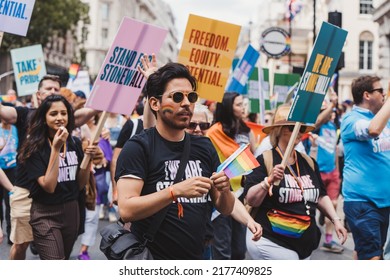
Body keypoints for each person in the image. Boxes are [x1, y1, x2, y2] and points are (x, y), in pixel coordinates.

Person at [115, 62, 235, 260]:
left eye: (191, 97)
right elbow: (127, 209)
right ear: (155, 103)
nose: (186, 103)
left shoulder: (204, 146)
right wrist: (175, 191)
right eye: (177, 97)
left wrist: (225, 190)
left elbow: (225, 208)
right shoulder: (138, 147)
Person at [0, 75, 98, 260]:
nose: (53, 92)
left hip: (63, 200)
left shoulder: (71, 135)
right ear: (39, 93)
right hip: (26, 191)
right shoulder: (23, 115)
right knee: (21, 244)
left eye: (56, 89)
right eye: (49, 89)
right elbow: (2, 111)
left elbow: (90, 112)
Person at [245, 104, 347, 260]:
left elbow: (320, 195)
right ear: (280, 131)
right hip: (272, 241)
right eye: (293, 128)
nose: (299, 133)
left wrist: (336, 220)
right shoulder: (266, 160)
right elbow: (250, 199)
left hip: (304, 245)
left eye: (301, 129)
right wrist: (268, 182)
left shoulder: (308, 162)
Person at [187, 103, 262, 259]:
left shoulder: (208, 152)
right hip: (169, 247)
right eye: (192, 125)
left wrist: (249, 221)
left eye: (204, 125)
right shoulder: (167, 151)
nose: (198, 130)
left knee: (236, 251)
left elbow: (225, 196)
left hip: (202, 242)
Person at [341, 75, 390, 260]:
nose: (384, 94)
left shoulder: (383, 118)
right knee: (373, 258)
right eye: (380, 91)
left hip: (383, 202)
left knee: (365, 254)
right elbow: (373, 130)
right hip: (362, 201)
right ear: (367, 95)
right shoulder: (350, 120)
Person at [206, 91, 256, 260]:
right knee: (222, 247)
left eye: (243, 104)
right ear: (228, 107)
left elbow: (252, 157)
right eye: (238, 104)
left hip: (241, 194)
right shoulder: (214, 132)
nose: (243, 108)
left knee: (239, 248)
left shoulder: (246, 130)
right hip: (221, 194)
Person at [310, 94, 344, 254]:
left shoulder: (334, 129)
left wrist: (337, 170)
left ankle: (329, 240)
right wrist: (331, 104)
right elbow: (317, 121)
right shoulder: (318, 127)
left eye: (332, 112)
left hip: (332, 172)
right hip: (318, 172)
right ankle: (312, 232)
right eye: (327, 112)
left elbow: (334, 151)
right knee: (313, 206)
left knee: (334, 205)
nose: (331, 114)